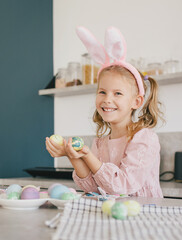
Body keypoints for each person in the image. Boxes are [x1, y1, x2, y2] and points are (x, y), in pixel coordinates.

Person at [45, 26, 164, 198]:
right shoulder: (101, 143)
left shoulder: (144, 139)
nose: (107, 99)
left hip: (144, 216)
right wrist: (73, 155)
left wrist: (88, 155)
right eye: (102, 92)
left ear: (136, 101)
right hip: (114, 216)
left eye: (117, 93)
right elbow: (94, 188)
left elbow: (122, 186)